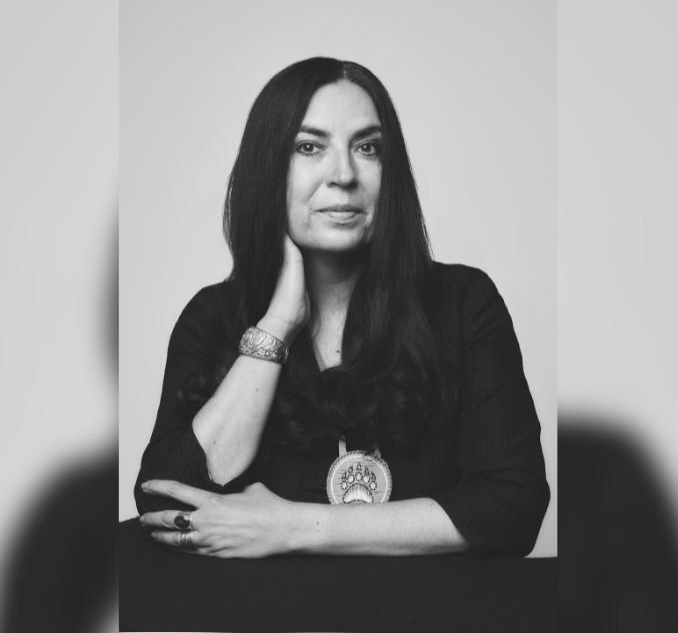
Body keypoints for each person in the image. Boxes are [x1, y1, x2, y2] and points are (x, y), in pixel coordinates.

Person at [133, 56, 549, 558]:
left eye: (367, 148)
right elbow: (162, 504)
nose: (344, 175)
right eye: (310, 147)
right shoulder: (212, 316)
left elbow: (513, 506)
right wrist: (278, 325)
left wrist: (293, 528)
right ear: (269, 169)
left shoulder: (463, 302)